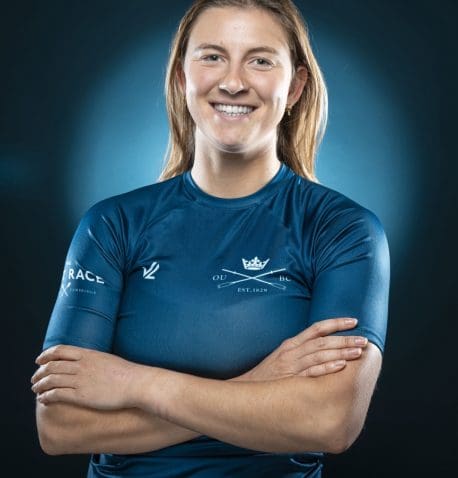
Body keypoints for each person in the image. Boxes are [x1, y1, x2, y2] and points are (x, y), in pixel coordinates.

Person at [31, 0, 390, 477]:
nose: (233, 82)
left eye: (260, 60)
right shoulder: (112, 225)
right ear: (182, 77)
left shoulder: (342, 230)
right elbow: (60, 427)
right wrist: (261, 383)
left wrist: (135, 383)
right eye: (213, 56)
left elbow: (329, 422)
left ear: (295, 86)